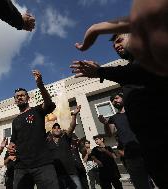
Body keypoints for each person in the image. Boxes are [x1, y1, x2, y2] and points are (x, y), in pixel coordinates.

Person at [71, 27, 168, 188]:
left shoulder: (152, 57)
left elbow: (134, 72)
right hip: (149, 148)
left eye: (119, 40)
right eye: (113, 44)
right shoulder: (132, 72)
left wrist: (100, 71)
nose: (115, 46)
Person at [8, 70, 59, 189]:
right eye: (17, 96)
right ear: (15, 100)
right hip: (21, 166)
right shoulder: (15, 121)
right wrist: (11, 146)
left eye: (22, 95)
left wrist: (40, 85)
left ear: (28, 98)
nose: (20, 97)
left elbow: (48, 103)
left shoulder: (37, 111)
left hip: (43, 164)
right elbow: (13, 140)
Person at [98, 92, 152, 189]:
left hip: (148, 150)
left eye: (117, 98)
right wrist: (105, 123)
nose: (115, 101)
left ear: (123, 98)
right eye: (112, 100)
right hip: (131, 155)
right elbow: (110, 133)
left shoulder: (134, 110)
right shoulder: (114, 118)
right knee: (141, 185)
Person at [46, 105, 84, 189]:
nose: (57, 129)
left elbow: (72, 126)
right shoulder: (48, 142)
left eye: (58, 128)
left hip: (71, 173)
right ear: (51, 130)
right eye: (54, 128)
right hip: (56, 175)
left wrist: (74, 115)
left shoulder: (65, 138)